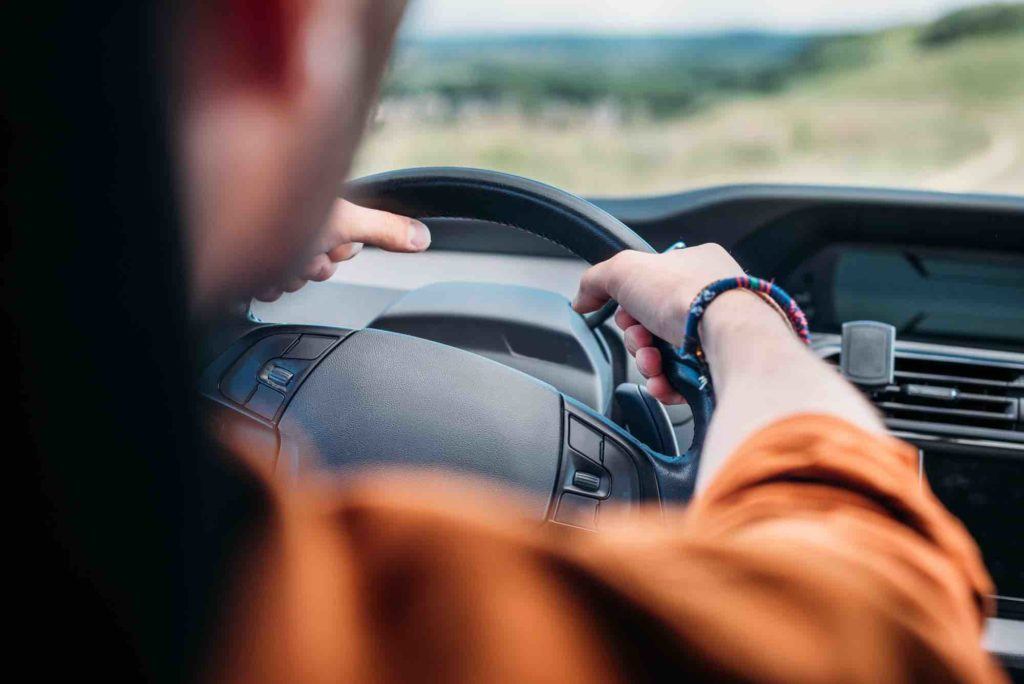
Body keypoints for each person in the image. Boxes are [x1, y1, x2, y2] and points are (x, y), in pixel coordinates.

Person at [5, 0, 1006, 681]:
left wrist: (199, 225)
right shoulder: (374, 637)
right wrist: (731, 312)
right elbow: (893, 620)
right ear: (273, 35)